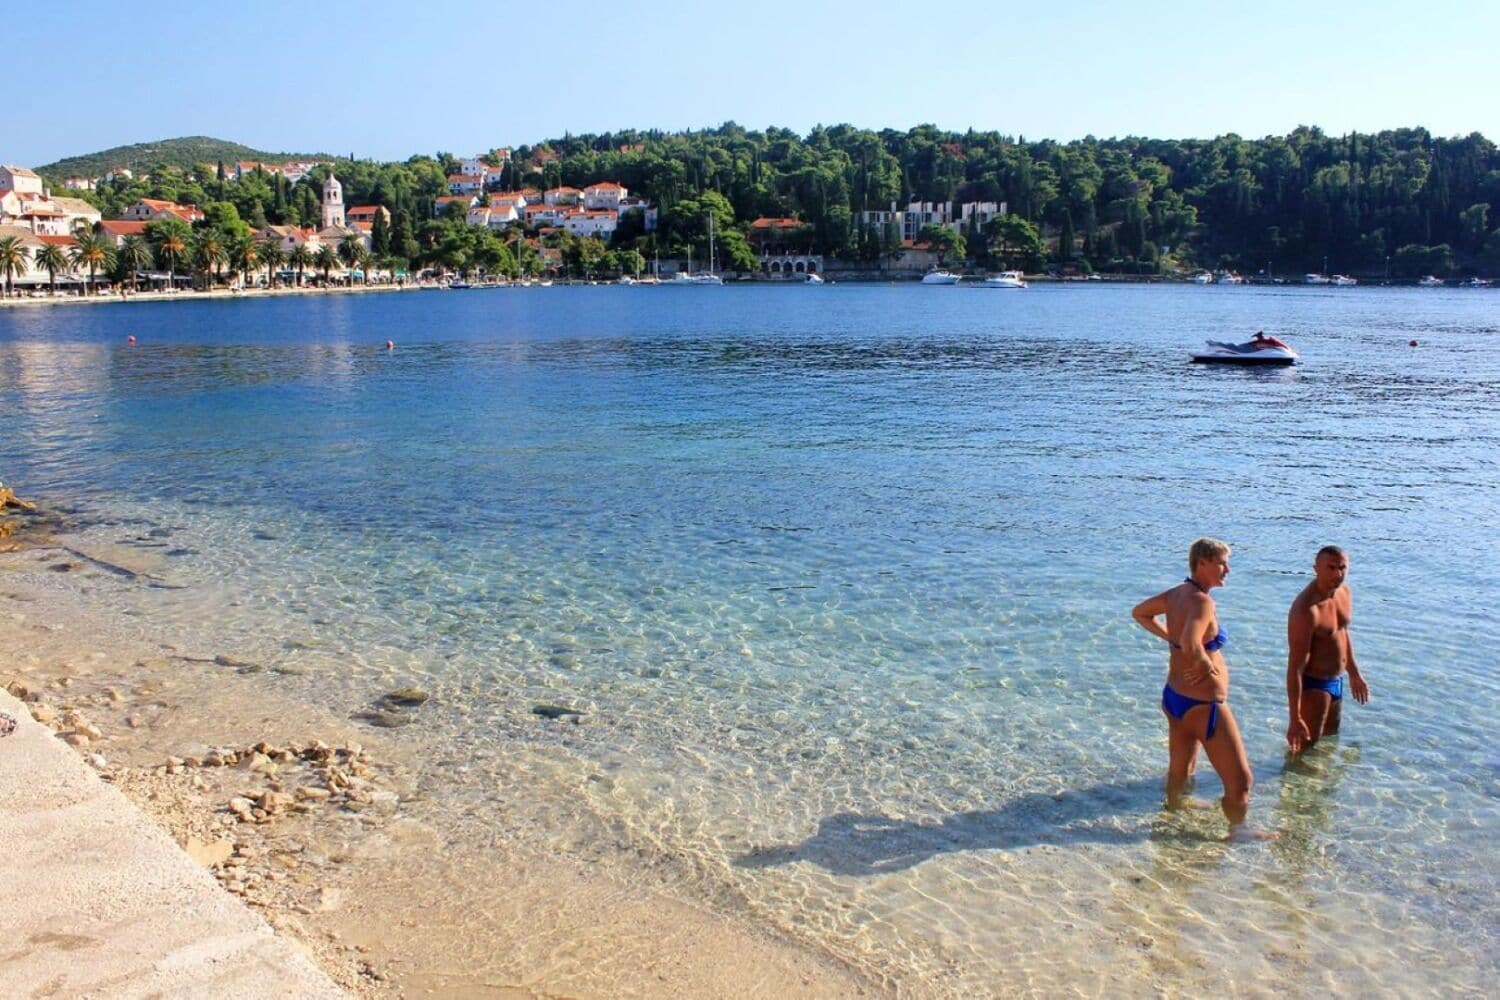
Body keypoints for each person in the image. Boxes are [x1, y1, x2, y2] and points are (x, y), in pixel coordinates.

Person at [1132, 537, 1273, 840]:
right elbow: (1193, 643)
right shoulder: (1203, 601)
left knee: (1181, 769)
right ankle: (1239, 830)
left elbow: (1140, 612)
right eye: (1222, 562)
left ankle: (1174, 810)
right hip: (1203, 705)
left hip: (1175, 698)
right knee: (1240, 780)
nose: (1227, 569)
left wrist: (1171, 638)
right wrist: (1206, 667)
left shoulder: (1176, 594)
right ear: (1202, 563)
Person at [1285, 545, 1369, 752]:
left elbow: (1342, 633)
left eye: (1342, 567)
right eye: (1331, 568)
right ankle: (1294, 783)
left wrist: (1354, 673)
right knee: (1306, 745)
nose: (1338, 574)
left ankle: (1325, 784)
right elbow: (1295, 667)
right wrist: (1294, 718)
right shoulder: (1306, 610)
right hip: (1315, 684)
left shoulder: (1344, 593)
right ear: (1316, 568)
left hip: (1337, 680)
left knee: (1330, 740)